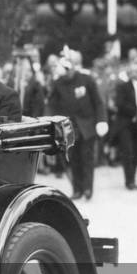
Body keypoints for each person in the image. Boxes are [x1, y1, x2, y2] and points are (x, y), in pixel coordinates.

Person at [47, 49, 108, 199]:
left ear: (74, 66)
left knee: (87, 158)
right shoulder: (58, 83)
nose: (67, 73)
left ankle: (88, 189)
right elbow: (51, 105)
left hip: (87, 125)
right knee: (73, 159)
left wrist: (102, 120)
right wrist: (49, 121)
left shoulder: (87, 79)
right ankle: (77, 189)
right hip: (68, 127)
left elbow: (98, 103)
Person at [111, 63, 137, 190]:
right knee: (127, 151)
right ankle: (129, 181)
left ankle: (133, 178)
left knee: (136, 151)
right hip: (125, 122)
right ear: (129, 73)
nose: (135, 73)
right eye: (132, 71)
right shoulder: (122, 86)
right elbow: (120, 104)